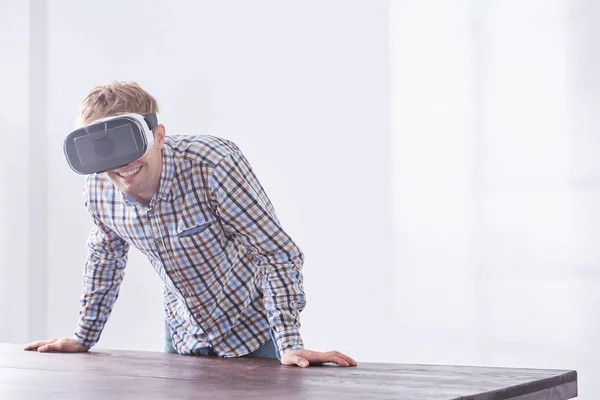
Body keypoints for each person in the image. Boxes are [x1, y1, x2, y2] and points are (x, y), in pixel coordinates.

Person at [24, 81, 356, 368]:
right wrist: (84, 337)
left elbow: (275, 252)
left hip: (253, 333)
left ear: (158, 135)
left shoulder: (212, 164)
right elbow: (105, 260)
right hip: (183, 335)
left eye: (129, 146)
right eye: (106, 151)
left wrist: (289, 342)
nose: (122, 164)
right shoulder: (99, 190)